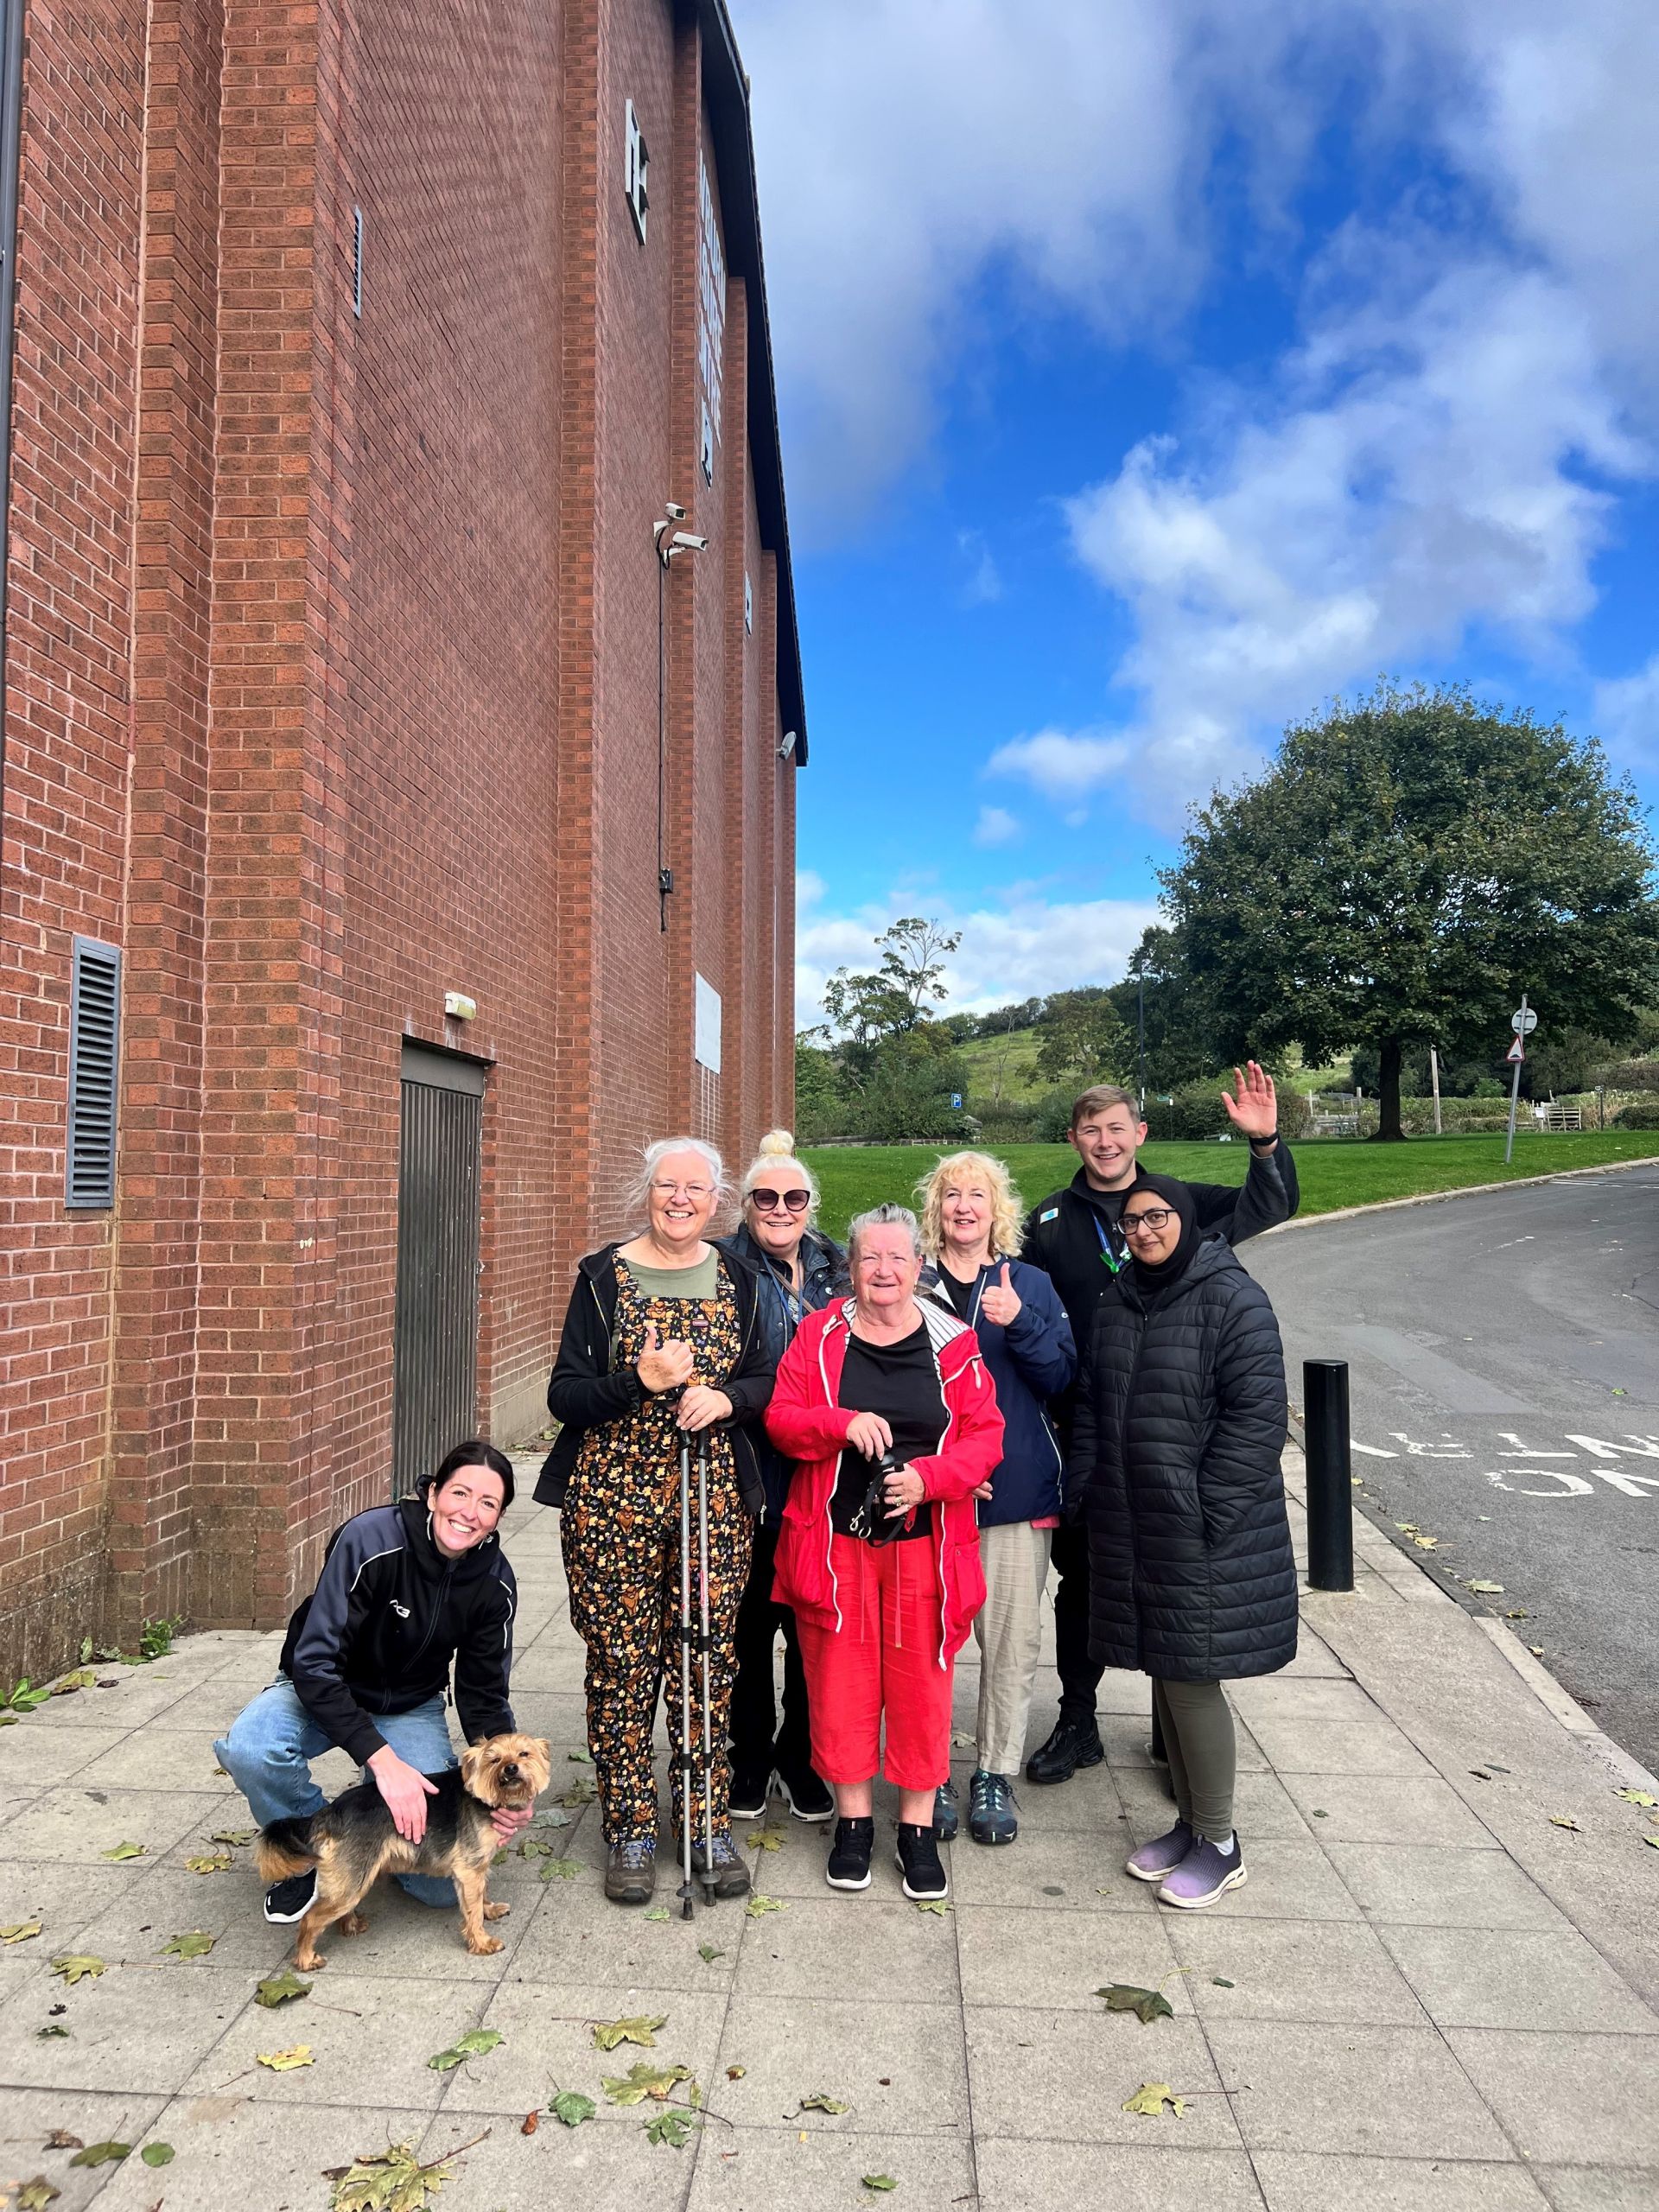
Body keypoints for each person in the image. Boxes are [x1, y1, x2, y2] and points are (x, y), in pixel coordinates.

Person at [1020, 1070, 1298, 1786]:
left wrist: (1264, 1141)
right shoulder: (1051, 1221)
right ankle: (1079, 1720)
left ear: (1140, 1134)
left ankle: (1169, 1733)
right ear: (1074, 1139)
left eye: (1118, 1128)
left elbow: (1270, 1204)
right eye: (1091, 1130)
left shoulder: (1182, 1205)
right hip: (1089, 1431)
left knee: (1171, 1591)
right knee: (1085, 1583)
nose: (1105, 1141)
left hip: (1175, 1435)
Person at [534, 1139, 776, 1906]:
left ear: (717, 1200)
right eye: (667, 1185)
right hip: (612, 1505)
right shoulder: (603, 1277)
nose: (680, 1199)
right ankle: (631, 1828)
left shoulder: (740, 1274)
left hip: (712, 1507)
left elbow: (772, 1375)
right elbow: (564, 1396)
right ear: (647, 1192)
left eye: (696, 1188)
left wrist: (731, 1400)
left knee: (708, 1664)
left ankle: (705, 1822)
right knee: (622, 1665)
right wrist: (637, 1380)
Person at [1066, 1173, 1296, 1907]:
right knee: (1167, 1668)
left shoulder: (1233, 1298)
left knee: (1193, 1678)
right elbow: (1093, 1406)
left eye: (1157, 1216)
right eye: (1130, 1223)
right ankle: (1190, 1824)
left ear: (1187, 1220)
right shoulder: (1118, 1299)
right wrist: (1087, 1490)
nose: (1143, 1231)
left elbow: (1258, 1420)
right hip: (1135, 1520)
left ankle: (1221, 1841)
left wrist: (1205, 1510)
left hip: (1201, 1528)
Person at [765, 1203, 1004, 1901]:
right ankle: (854, 1824)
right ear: (850, 1268)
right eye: (870, 1258)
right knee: (838, 1686)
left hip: (926, 1547)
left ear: (919, 1268)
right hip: (836, 1546)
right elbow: (782, 1419)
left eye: (898, 1258)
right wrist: (841, 1423)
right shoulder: (818, 1337)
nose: (884, 1271)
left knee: (921, 1688)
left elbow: (986, 1438)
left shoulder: (953, 1342)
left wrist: (928, 1478)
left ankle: (917, 1829)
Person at [216, 1441, 529, 1926]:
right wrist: (383, 1762)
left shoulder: (495, 1581)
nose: (469, 1513)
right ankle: (313, 1853)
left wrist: (508, 1785)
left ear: (499, 1516)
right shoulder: (368, 1538)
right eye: (459, 1493)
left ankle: (372, 1828)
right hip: (323, 1690)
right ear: (432, 1494)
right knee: (253, 1748)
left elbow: (483, 1691)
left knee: (436, 1889)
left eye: (487, 1504)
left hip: (408, 1705)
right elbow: (314, 1663)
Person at [916, 1152, 1074, 1847]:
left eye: (976, 1195)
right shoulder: (908, 1284)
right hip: (932, 1495)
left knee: (1010, 1643)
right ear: (936, 1209)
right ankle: (930, 1775)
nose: (963, 1206)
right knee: (927, 1645)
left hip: (1014, 1493)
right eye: (951, 1194)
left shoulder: (1030, 1282)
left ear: (996, 1208)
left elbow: (1062, 1378)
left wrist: (1022, 1324)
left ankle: (992, 1772)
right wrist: (942, 1468)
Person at [715, 1130, 844, 1823]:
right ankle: (748, 1757)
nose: (780, 1208)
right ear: (746, 1205)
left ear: (809, 1204)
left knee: (810, 1630)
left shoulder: (834, 1262)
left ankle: (800, 1757)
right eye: (765, 1197)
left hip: (821, 1478)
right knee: (747, 1626)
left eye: (794, 1197)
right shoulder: (723, 1265)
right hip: (749, 1475)